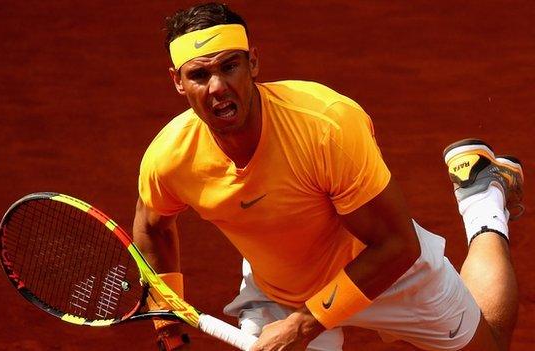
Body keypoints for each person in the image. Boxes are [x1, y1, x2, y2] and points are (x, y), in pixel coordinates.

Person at [132, 3, 523, 350]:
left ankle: (482, 202)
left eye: (229, 66)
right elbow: (154, 228)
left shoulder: (325, 125)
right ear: (177, 81)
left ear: (253, 63)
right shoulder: (169, 158)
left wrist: (304, 324)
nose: (218, 87)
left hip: (383, 270)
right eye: (200, 75)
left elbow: (396, 244)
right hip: (280, 290)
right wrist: (168, 327)